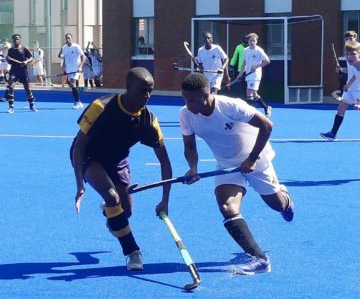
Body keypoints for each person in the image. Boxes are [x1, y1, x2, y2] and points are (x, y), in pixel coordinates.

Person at [179, 72, 294, 275]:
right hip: (226, 164)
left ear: (205, 95)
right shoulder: (186, 115)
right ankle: (259, 259)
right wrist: (193, 168)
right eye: (185, 99)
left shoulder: (230, 106)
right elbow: (190, 147)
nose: (187, 105)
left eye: (191, 100)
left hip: (256, 159)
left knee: (277, 205)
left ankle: (286, 199)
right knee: (227, 207)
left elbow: (267, 126)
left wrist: (251, 158)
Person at [71, 67, 172, 270]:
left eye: (150, 91)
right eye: (142, 91)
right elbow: (80, 145)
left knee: (125, 212)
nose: (147, 96)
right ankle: (133, 252)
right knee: (112, 197)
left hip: (117, 162)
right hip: (89, 157)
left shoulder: (149, 121)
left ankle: (112, 217)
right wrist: (80, 184)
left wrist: (164, 200)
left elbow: (164, 161)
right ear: (127, 87)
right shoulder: (101, 107)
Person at [320, 40, 360, 140]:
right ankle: (333, 134)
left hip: (358, 90)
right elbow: (355, 75)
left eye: (353, 54)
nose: (349, 56)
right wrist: (348, 84)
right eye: (347, 54)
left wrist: (359, 101)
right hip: (351, 90)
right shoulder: (354, 65)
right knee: (341, 108)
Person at [237, 32, 272, 117]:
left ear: (256, 41)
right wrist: (240, 74)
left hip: (256, 75)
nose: (252, 42)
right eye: (250, 40)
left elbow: (267, 61)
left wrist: (256, 66)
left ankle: (251, 114)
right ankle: (266, 107)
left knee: (249, 92)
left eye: (254, 41)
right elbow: (244, 63)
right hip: (248, 75)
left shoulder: (259, 50)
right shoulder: (245, 50)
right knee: (254, 94)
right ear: (247, 41)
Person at [6, 34, 37, 113]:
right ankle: (11, 107)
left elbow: (31, 58)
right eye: (14, 39)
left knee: (27, 88)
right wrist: (7, 59)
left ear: (20, 40)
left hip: (23, 71)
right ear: (12, 40)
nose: (16, 41)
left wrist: (26, 61)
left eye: (17, 39)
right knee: (11, 87)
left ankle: (31, 105)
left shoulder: (24, 48)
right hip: (14, 71)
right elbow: (9, 61)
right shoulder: (10, 50)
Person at [59, 33, 85, 109]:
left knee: (72, 83)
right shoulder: (64, 48)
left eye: (69, 38)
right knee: (70, 84)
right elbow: (64, 59)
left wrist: (80, 67)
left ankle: (78, 102)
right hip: (69, 70)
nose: (67, 40)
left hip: (76, 69)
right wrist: (64, 70)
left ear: (72, 39)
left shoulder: (76, 47)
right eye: (66, 38)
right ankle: (78, 101)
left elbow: (84, 56)